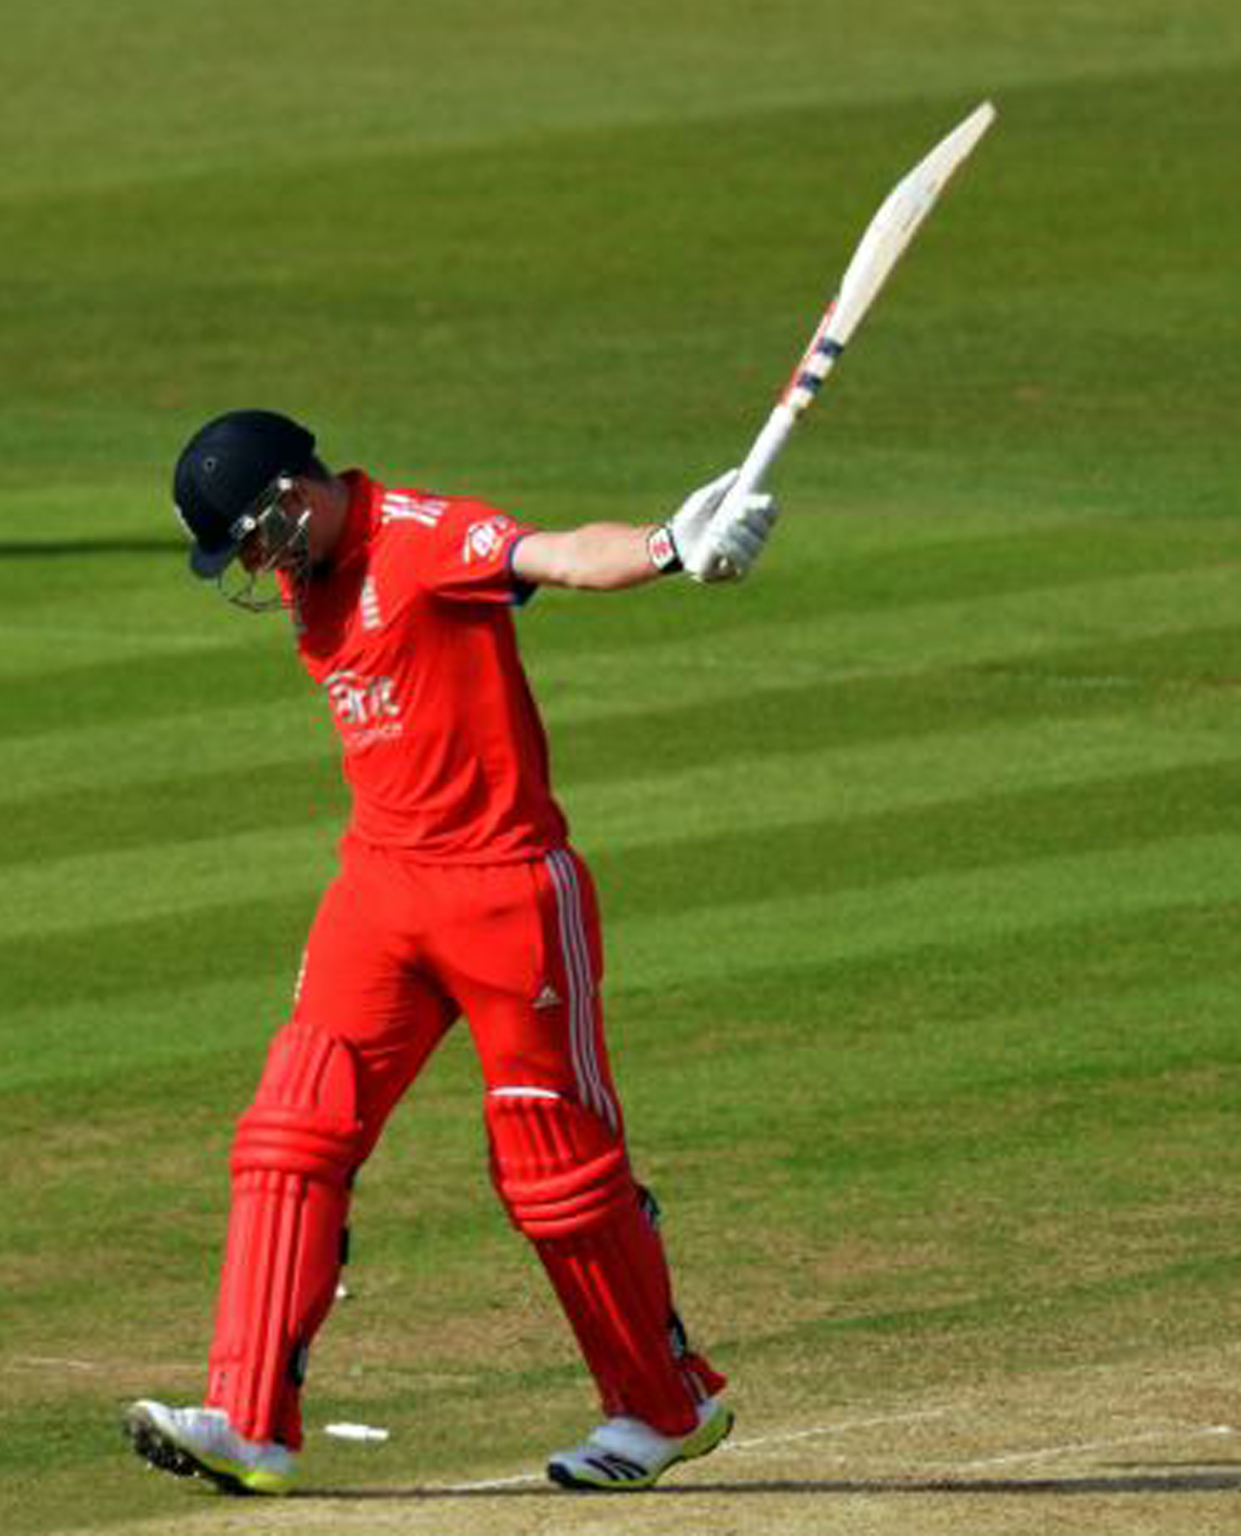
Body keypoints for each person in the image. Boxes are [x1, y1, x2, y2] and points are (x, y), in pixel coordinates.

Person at [123, 408, 776, 1496]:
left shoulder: (423, 536)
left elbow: (553, 555)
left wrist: (670, 548)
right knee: (288, 1135)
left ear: (295, 494)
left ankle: (665, 1406)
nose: (249, 565)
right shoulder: (308, 573)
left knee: (552, 1171)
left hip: (506, 891)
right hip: (378, 893)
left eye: (248, 536)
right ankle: (248, 1422)